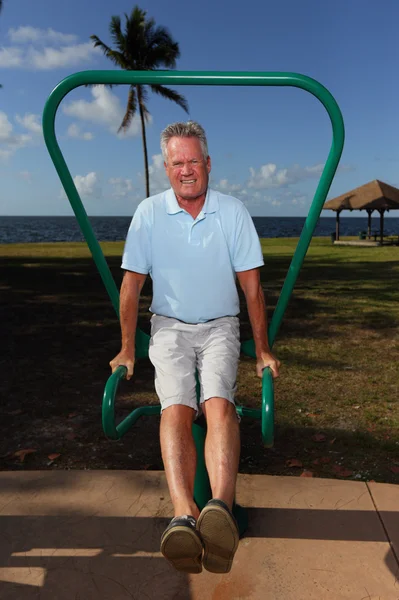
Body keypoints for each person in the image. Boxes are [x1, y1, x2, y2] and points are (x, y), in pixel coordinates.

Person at [110, 121, 280, 574]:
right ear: (166, 168)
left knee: (219, 404)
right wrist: (127, 348)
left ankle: (219, 511)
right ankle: (184, 515)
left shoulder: (232, 211)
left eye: (194, 161)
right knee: (176, 409)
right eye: (177, 162)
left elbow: (252, 289)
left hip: (221, 325)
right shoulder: (149, 213)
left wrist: (261, 349)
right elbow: (131, 288)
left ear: (208, 165)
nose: (187, 170)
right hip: (168, 328)